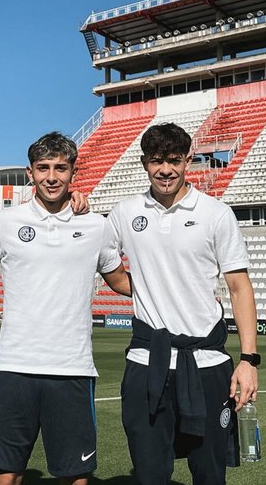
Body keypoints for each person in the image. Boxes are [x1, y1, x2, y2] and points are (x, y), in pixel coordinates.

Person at [0, 132, 132, 485]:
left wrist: (181, 290)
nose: (51, 176)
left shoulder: (95, 225)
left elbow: (120, 280)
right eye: (43, 168)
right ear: (30, 172)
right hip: (14, 365)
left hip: (72, 367)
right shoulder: (5, 222)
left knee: (75, 474)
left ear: (73, 172)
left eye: (60, 168)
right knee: (7, 473)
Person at [107, 122, 258, 485]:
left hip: (207, 365)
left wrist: (249, 361)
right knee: (150, 476)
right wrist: (144, 289)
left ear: (188, 160)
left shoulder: (216, 213)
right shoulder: (124, 213)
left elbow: (239, 288)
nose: (166, 170)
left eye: (174, 160)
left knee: (209, 475)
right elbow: (108, 268)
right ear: (144, 162)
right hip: (147, 362)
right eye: (157, 161)